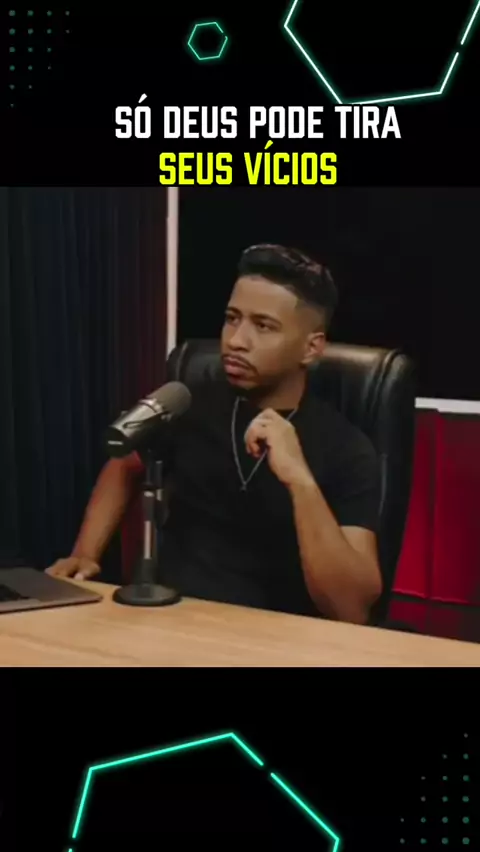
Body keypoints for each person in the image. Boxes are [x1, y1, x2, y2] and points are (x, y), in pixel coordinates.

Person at [47, 244, 382, 624]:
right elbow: (125, 464)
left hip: (273, 639)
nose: (236, 340)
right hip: (167, 620)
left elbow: (351, 608)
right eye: (232, 318)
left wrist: (299, 480)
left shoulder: (346, 449)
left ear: (310, 348)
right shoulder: (189, 405)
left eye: (263, 326)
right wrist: (85, 552)